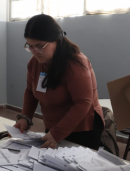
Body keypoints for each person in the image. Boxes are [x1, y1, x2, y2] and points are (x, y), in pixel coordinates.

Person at [14, 14, 104, 150]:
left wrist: (57, 133)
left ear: (56, 40)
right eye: (30, 46)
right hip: (53, 125)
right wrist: (25, 117)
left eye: (39, 46)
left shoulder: (76, 63)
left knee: (74, 168)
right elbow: (30, 91)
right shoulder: (35, 62)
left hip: (82, 127)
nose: (35, 52)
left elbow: (83, 103)